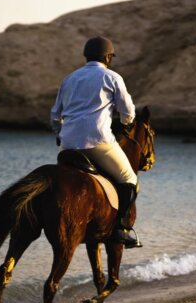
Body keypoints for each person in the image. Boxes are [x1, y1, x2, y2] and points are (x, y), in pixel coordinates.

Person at [50, 36, 142, 248]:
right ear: (108, 56)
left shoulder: (69, 79)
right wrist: (126, 123)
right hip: (99, 142)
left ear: (86, 56)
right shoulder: (112, 77)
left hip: (69, 144)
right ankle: (122, 229)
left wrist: (59, 133)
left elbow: (55, 115)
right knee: (129, 179)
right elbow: (128, 111)